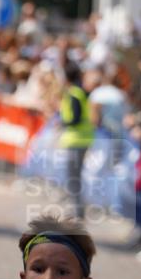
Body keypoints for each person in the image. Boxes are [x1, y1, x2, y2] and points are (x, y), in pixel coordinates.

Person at [58, 63, 94, 218]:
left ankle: (77, 210)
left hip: (76, 139)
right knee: (75, 176)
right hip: (82, 138)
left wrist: (62, 123)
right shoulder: (80, 92)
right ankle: (77, 208)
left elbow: (75, 118)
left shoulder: (74, 94)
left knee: (73, 176)